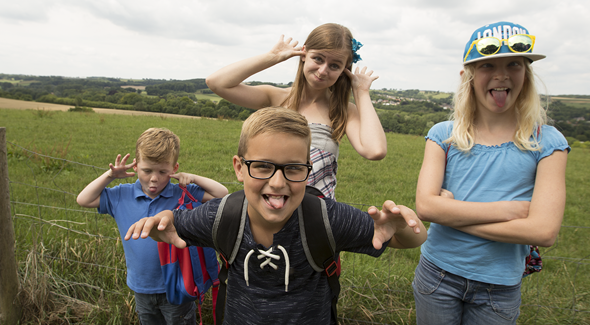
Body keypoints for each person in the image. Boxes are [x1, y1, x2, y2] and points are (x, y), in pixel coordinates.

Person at [124, 106, 427, 325]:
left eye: (293, 168)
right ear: (239, 168)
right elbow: (172, 225)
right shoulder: (222, 216)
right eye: (263, 166)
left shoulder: (325, 218)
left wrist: (405, 226)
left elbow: (406, 240)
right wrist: (159, 222)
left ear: (308, 170)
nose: (278, 182)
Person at [413, 21, 570, 324]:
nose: (501, 75)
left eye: (514, 63)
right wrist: (508, 210)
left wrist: (453, 215)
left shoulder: (549, 142)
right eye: (487, 65)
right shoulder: (443, 135)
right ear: (468, 78)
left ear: (527, 74)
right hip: (437, 275)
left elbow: (543, 231)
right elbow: (426, 207)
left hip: (498, 287)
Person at [206, 23, 386, 199]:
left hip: (316, 214)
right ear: (304, 54)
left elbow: (375, 150)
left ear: (344, 71)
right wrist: (272, 56)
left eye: (334, 66)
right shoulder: (276, 98)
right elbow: (217, 83)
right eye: (318, 58)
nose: (323, 70)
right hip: (270, 203)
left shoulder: (342, 110)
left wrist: (361, 92)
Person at [76, 127, 228, 325]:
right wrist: (110, 176)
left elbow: (222, 194)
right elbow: (83, 199)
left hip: (178, 285)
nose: (154, 178)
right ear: (136, 166)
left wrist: (193, 178)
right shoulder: (121, 195)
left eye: (162, 171)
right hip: (141, 287)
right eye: (147, 170)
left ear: (174, 169)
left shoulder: (181, 192)